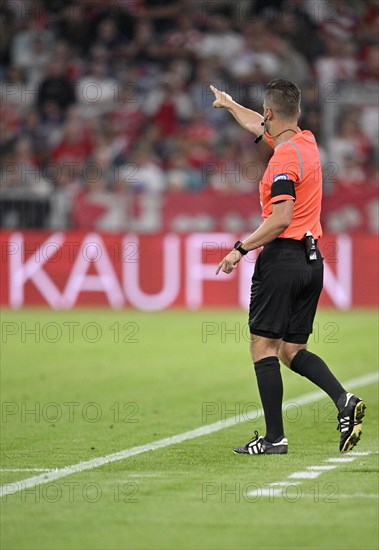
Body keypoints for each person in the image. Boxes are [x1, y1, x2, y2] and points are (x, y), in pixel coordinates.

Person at [210, 79, 366, 455]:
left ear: (269, 112)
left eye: (263, 115)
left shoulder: (282, 158)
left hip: (282, 258)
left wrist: (240, 249)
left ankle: (274, 438)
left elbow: (281, 218)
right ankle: (344, 400)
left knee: (263, 347)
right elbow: (257, 125)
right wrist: (231, 105)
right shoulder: (306, 144)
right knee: (292, 350)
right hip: (312, 260)